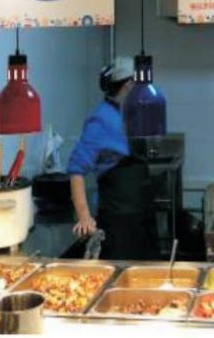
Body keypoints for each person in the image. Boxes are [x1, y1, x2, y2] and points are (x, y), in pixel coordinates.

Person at [67, 56, 158, 260]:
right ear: (128, 86)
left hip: (142, 215)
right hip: (119, 223)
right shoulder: (101, 120)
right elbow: (76, 170)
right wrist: (84, 216)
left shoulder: (127, 114)